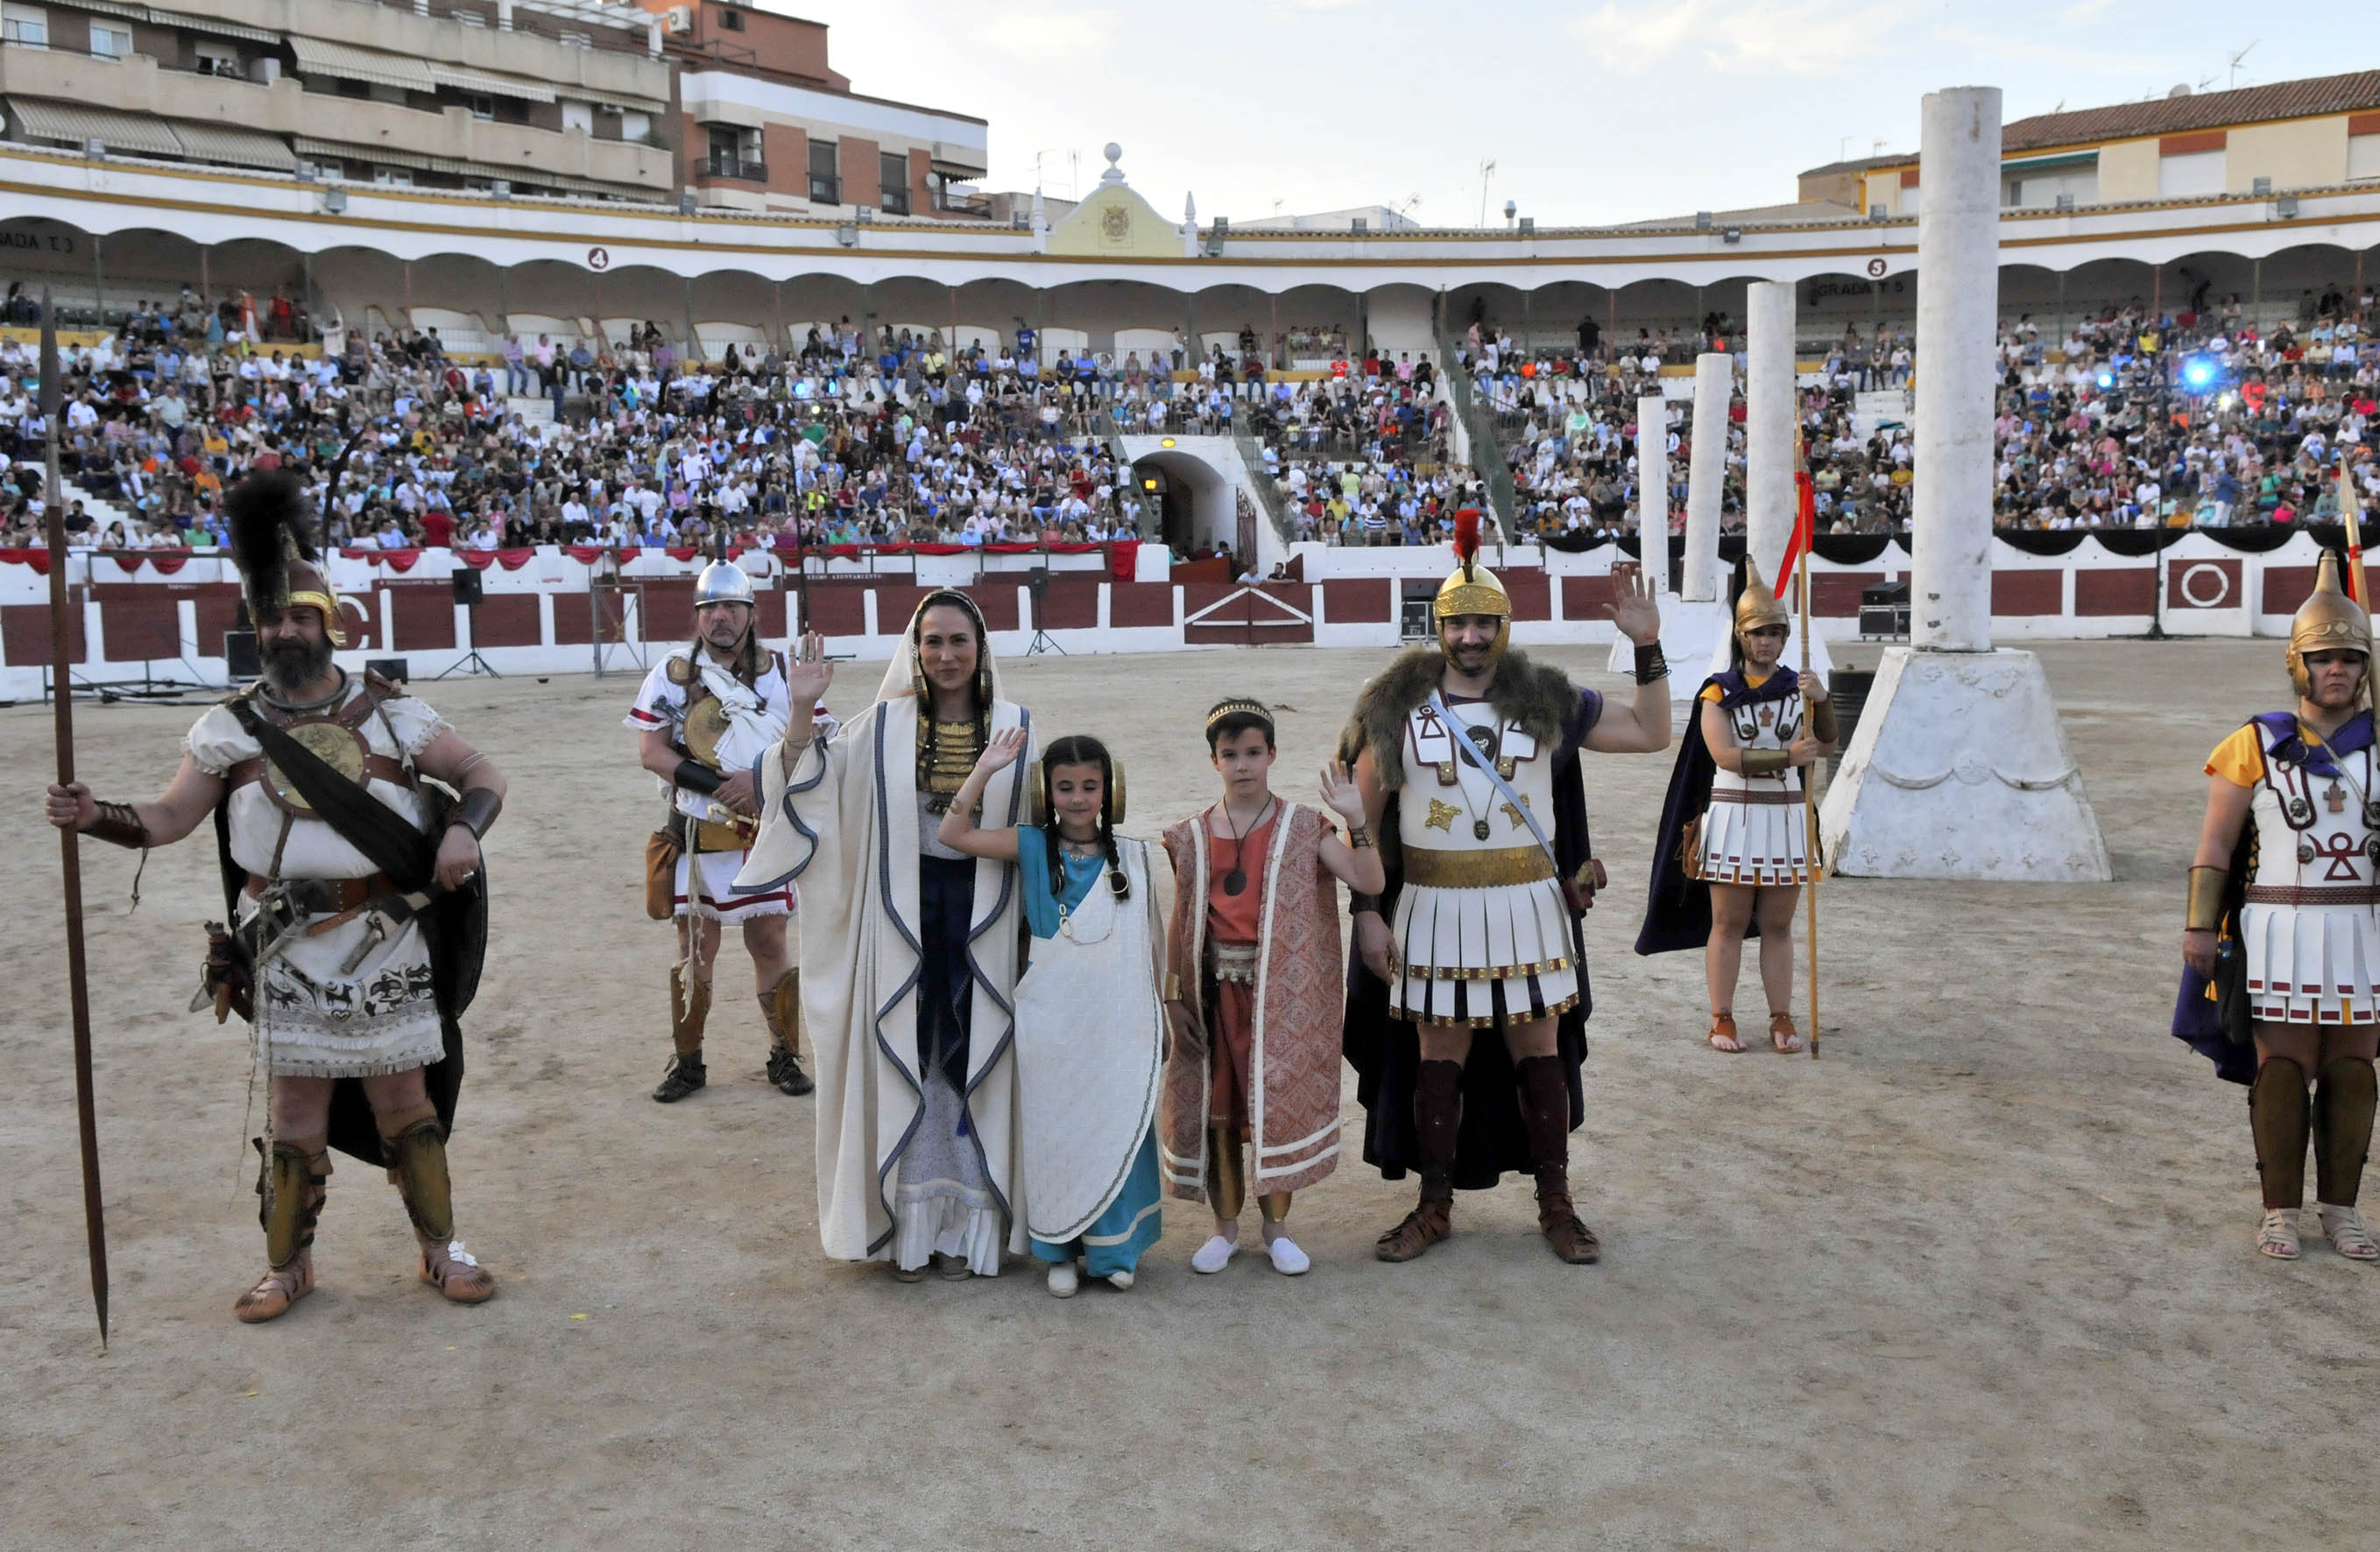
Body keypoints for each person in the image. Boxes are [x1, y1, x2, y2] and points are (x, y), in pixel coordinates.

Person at [44, 471, 505, 1321]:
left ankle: (442, 1249)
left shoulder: (394, 715)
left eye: (301, 616)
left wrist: (462, 829)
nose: (286, 629)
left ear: (328, 624)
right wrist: (95, 816)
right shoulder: (226, 728)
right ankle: (287, 1266)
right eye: (273, 617)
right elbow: (169, 817)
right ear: (257, 628)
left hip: (387, 935)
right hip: (287, 945)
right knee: (295, 1108)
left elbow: (480, 772)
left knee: (406, 1102)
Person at [1343, 511, 1671, 1265]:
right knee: (1437, 1053)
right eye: (1457, 624)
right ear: (1438, 628)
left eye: (1484, 622)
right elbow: (1361, 819)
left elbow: (1653, 732)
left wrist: (1647, 646)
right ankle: (1433, 1206)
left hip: (1527, 902)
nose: (1470, 637)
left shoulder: (1549, 699)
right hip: (1430, 902)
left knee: (1538, 1048)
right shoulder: (1393, 709)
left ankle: (1555, 1202)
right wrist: (1365, 912)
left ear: (1504, 625)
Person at [737, 594, 1034, 1280]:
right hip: (899, 920)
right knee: (912, 1053)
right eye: (932, 642)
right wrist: (802, 709)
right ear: (915, 649)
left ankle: (968, 1229)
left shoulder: (1016, 728)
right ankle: (910, 1226)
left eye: (959, 640)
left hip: (984, 921)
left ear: (980, 647)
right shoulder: (877, 728)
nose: (946, 655)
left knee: (977, 1060)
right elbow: (806, 786)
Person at [2177, 550, 2379, 1263]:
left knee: (2354, 1070)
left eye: (2350, 659)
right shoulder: (2253, 744)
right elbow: (2215, 844)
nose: (2337, 670)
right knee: (2283, 1071)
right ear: (2298, 664)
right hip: (2279, 924)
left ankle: (2341, 1211)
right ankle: (2279, 1212)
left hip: (2363, 926)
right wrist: (2200, 926)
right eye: (2323, 658)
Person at [938, 730, 1166, 1297]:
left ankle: (1114, 1250)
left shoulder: (1133, 856)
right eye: (1065, 787)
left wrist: (1160, 1012)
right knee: (1057, 1134)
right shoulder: (1032, 846)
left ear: (1109, 792)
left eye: (1090, 787)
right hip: (1052, 1026)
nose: (1078, 798)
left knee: (1117, 1128)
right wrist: (986, 768)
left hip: (1117, 1022)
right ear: (1047, 792)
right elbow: (954, 833)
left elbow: (1150, 943)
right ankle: (1060, 1249)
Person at [1159, 698, 1382, 1276]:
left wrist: (1358, 820)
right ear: (1213, 761)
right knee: (1220, 1114)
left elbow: (1366, 878)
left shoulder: (1306, 826)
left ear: (1272, 755)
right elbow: (1180, 921)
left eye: (1252, 752)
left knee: (1273, 1107)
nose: (1242, 765)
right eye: (1229, 754)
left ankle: (1277, 1230)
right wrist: (1172, 996)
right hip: (1213, 998)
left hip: (1279, 1000)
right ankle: (1224, 1229)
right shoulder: (1190, 835)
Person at [625, 555, 830, 1103]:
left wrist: (756, 781)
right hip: (697, 832)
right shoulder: (670, 675)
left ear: (750, 612)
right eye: (710, 607)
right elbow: (652, 752)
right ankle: (687, 1063)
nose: (720, 616)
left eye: (731, 606)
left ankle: (785, 1054)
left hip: (764, 827)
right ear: (697, 616)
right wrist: (721, 786)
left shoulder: (783, 672)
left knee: (770, 941)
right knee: (697, 947)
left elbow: (812, 743)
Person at [1635, 561, 1836, 1052]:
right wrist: (1788, 755)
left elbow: (1826, 744)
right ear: (1742, 636)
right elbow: (1724, 754)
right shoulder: (1717, 692)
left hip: (1787, 813)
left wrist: (1824, 700)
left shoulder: (1801, 688)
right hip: (1734, 815)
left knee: (1778, 926)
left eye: (1775, 632)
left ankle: (1781, 1017)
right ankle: (1721, 1017)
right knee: (1726, 923)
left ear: (1785, 637)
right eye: (1757, 632)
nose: (1766, 641)